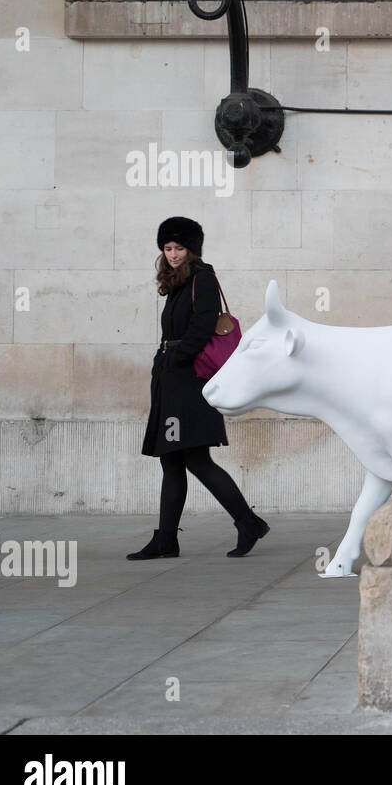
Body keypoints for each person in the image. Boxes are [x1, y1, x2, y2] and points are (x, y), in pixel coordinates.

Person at [128, 216, 270, 560]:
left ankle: (247, 521)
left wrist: (178, 357)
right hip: (170, 378)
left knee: (194, 457)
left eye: (179, 247)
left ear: (192, 249)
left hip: (188, 380)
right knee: (172, 460)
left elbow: (205, 324)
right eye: (168, 248)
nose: (173, 254)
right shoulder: (177, 281)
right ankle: (166, 540)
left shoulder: (201, 278)